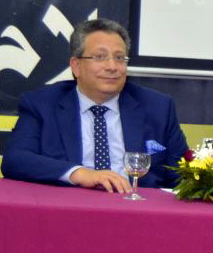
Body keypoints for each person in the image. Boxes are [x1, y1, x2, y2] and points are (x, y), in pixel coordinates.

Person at [2, 18, 188, 192]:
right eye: (100, 57)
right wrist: (79, 173)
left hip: (137, 208)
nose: (112, 67)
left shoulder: (158, 107)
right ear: (76, 66)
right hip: (71, 206)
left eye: (119, 58)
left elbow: (183, 176)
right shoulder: (42, 104)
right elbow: (15, 160)